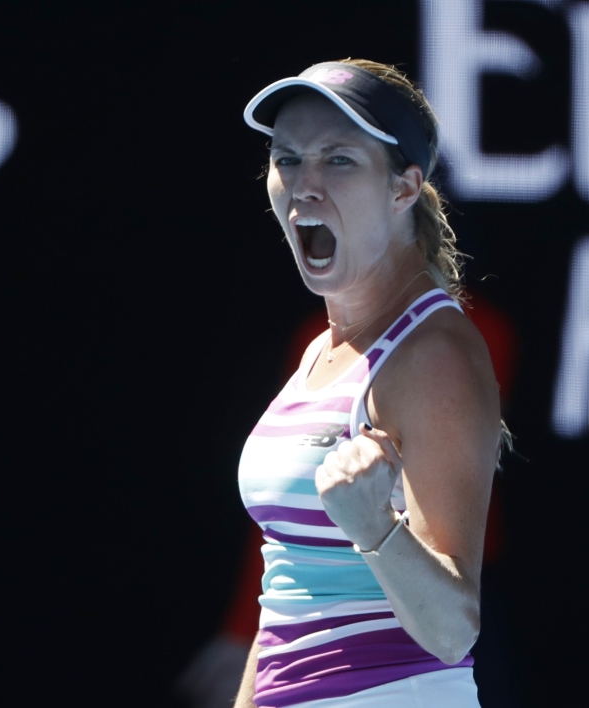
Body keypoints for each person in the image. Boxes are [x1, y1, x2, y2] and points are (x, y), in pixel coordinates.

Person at [235, 59, 502, 708]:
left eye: (339, 161)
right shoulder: (320, 354)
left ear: (405, 188)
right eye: (288, 159)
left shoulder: (431, 353)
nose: (304, 185)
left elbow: (450, 629)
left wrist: (375, 528)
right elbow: (286, 594)